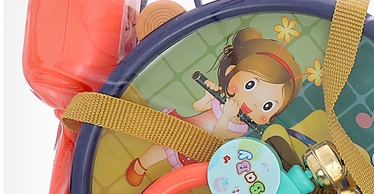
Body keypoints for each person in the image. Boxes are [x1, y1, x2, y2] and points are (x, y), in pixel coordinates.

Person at [125, 27, 303, 185]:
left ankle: (163, 187)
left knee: (179, 175)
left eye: (268, 106)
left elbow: (218, 137)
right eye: (250, 85)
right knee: (160, 151)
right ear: (230, 72)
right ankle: (140, 166)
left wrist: (226, 116)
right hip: (185, 132)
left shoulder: (240, 127)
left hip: (200, 151)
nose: (255, 102)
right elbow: (198, 106)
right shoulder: (221, 99)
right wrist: (207, 97)